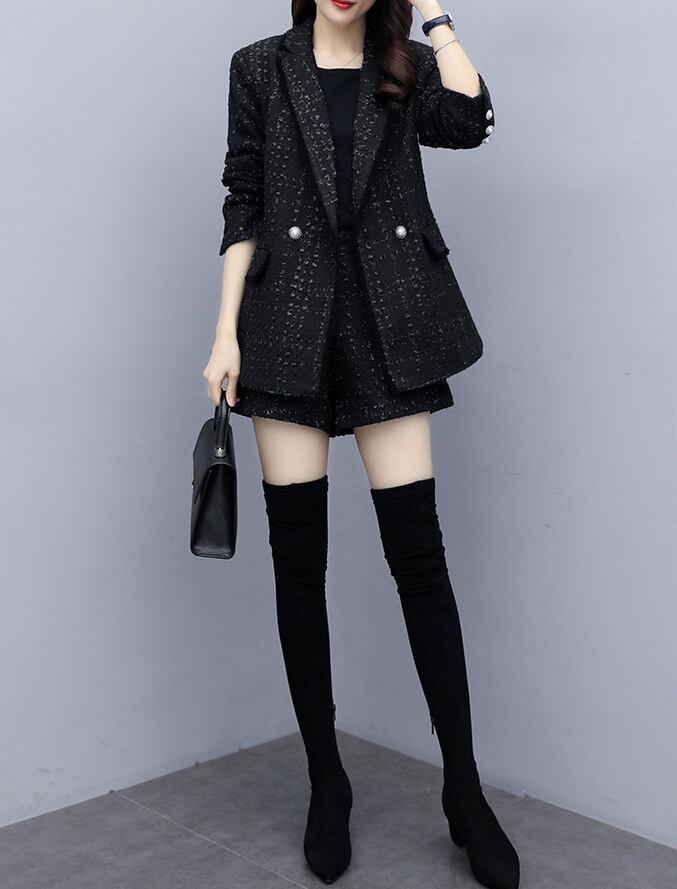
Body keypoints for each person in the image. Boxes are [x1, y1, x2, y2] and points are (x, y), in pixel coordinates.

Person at [203, 1, 518, 887]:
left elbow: (471, 118)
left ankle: (463, 790)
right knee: (297, 565)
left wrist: (438, 15)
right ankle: (326, 782)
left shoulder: (403, 62)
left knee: (419, 560)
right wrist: (224, 334)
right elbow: (243, 197)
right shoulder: (259, 65)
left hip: (390, 326)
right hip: (286, 323)